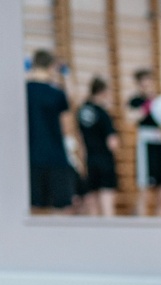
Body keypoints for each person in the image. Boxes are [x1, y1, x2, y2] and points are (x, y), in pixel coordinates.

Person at [26, 48, 75, 214]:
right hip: (55, 156)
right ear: (51, 66)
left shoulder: (24, 91)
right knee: (61, 208)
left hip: (29, 157)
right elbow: (67, 124)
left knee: (31, 207)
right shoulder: (56, 93)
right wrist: (66, 76)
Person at [128, 68, 161, 215]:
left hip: (160, 144)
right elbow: (132, 118)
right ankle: (142, 218)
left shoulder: (160, 101)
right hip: (145, 145)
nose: (147, 85)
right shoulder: (136, 101)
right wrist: (146, 107)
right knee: (144, 184)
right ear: (139, 84)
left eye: (149, 82)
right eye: (144, 83)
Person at [77, 76, 120, 216]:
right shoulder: (103, 113)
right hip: (104, 160)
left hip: (89, 159)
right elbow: (112, 142)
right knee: (107, 203)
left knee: (92, 205)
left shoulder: (82, 110)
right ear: (102, 92)